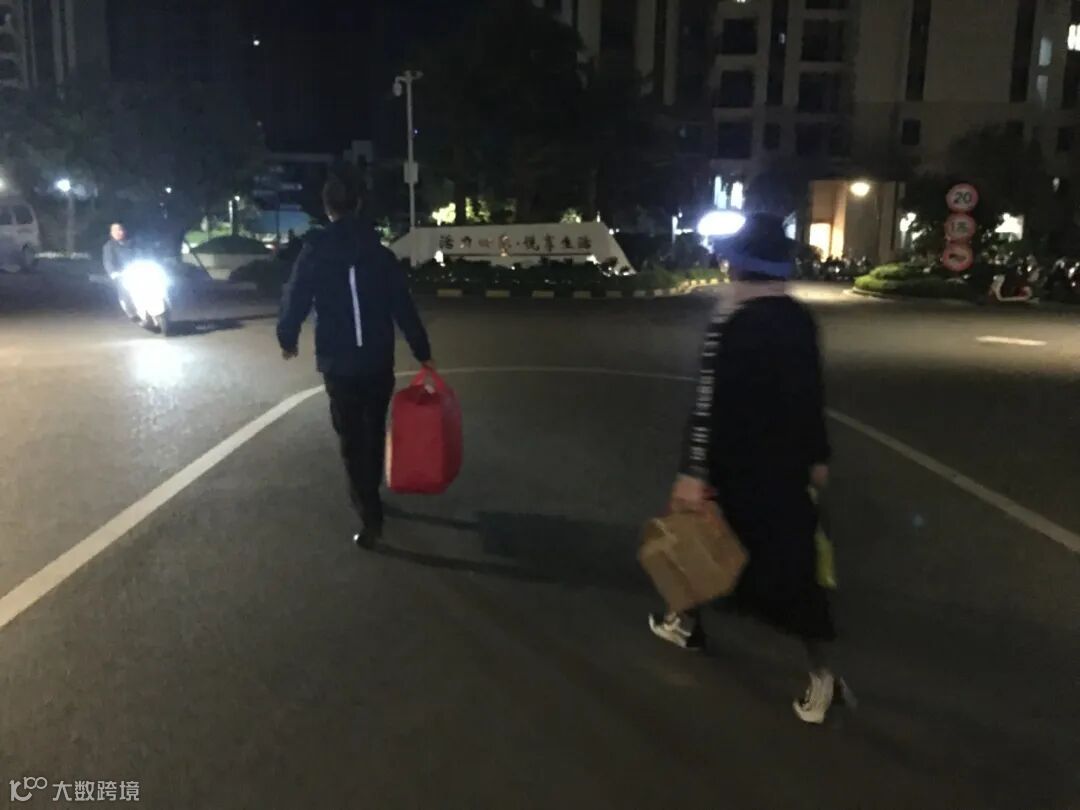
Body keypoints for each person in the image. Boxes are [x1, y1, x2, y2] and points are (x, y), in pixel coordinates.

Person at [648, 212, 851, 725]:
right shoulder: (797, 319)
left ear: (738, 266)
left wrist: (692, 471)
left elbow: (708, 404)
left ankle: (820, 676)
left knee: (703, 542)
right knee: (791, 569)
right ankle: (690, 622)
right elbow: (810, 394)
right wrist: (817, 457)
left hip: (734, 465)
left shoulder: (731, 322)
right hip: (784, 469)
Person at [278, 171, 433, 547]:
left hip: (338, 363)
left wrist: (288, 337)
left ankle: (368, 511)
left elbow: (296, 297)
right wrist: (421, 350)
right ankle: (371, 494)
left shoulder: (314, 252)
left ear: (327, 208)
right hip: (377, 360)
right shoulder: (379, 254)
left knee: (350, 437)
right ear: (359, 205)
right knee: (373, 429)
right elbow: (402, 305)